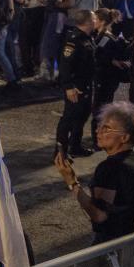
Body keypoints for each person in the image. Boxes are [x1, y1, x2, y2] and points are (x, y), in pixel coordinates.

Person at [55, 102, 134, 245]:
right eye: (99, 126)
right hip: (132, 242)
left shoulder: (109, 168)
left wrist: (72, 182)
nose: (97, 131)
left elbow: (99, 215)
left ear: (124, 137)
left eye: (106, 129)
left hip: (110, 246)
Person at [56, 9, 98, 158]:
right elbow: (65, 65)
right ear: (88, 22)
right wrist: (68, 86)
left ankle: (75, 146)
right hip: (76, 87)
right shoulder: (73, 40)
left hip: (86, 85)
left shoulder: (87, 37)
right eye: (94, 18)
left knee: (82, 116)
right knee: (69, 118)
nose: (96, 20)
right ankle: (60, 152)